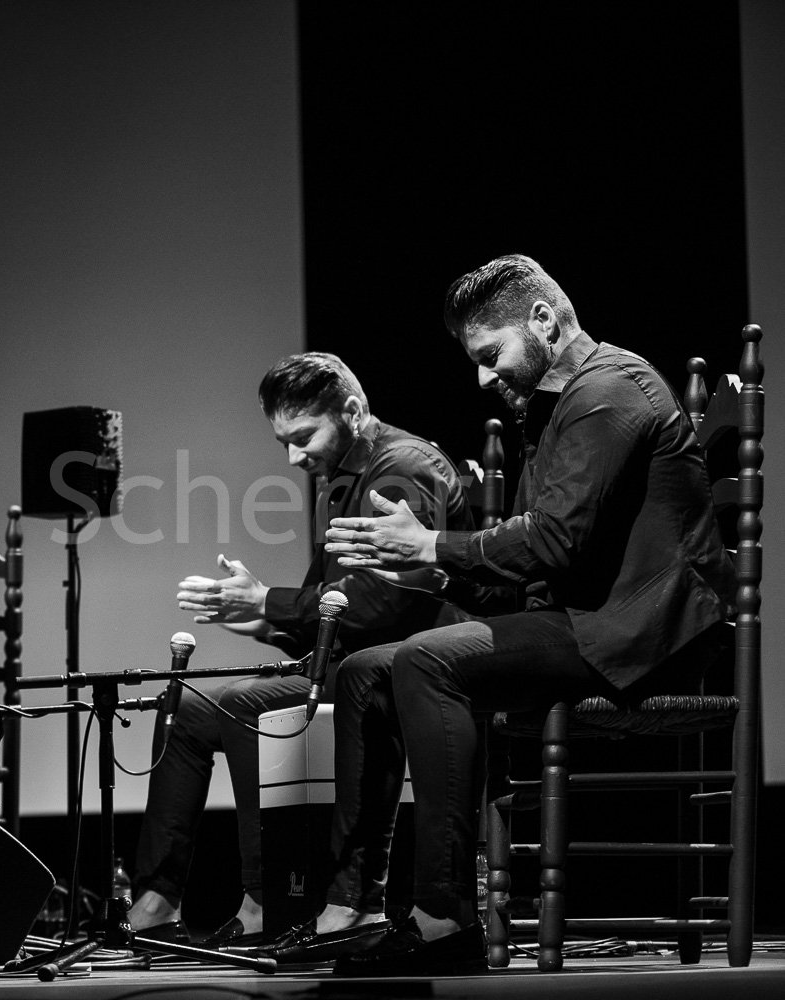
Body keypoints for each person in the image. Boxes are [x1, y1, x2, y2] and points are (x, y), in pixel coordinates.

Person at [310, 254, 733, 976]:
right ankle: (354, 907)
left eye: (490, 355)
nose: (483, 378)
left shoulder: (609, 391)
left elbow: (554, 541)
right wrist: (431, 567)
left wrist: (433, 542)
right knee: (363, 672)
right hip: (584, 617)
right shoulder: (559, 405)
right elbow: (534, 577)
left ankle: (443, 920)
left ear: (543, 320)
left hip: (639, 631)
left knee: (426, 659)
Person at [126, 353, 480, 948]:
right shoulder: (338, 478)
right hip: (353, 659)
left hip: (409, 664)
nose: (292, 457)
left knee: (242, 704)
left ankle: (268, 899)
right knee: (186, 711)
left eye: (303, 437)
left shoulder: (400, 468)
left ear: (352, 411)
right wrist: (263, 621)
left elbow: (386, 604)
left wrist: (271, 600)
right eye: (282, 442)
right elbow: (331, 611)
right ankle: (155, 902)